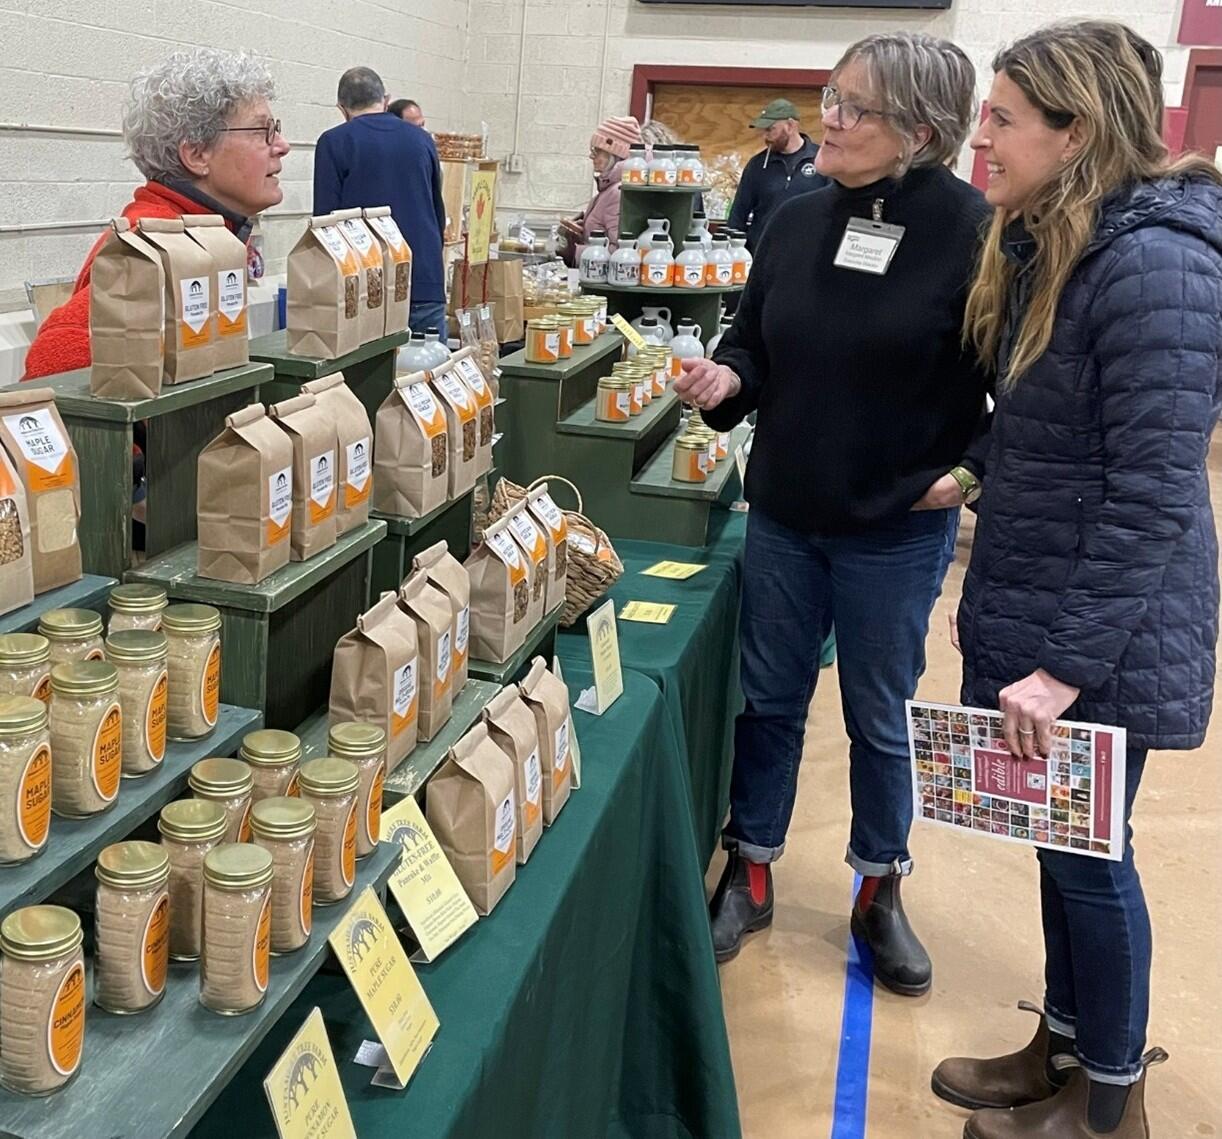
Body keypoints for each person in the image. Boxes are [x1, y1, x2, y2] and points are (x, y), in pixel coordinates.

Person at [933, 22, 1221, 1139]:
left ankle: (1109, 1100)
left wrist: (1060, 667)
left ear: (1076, 130)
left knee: (1095, 858)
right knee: (1062, 842)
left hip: (1103, 629)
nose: (982, 136)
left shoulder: (1157, 263)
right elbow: (1052, 436)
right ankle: (1057, 1048)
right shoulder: (1059, 241)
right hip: (1055, 600)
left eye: (1002, 117)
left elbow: (1154, 492)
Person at [675, 33, 990, 993]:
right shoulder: (797, 219)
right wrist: (727, 378)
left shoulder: (977, 234)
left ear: (920, 132)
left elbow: (1016, 380)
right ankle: (753, 865)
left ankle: (878, 888)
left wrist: (968, 475)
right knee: (768, 699)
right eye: (831, 97)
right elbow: (753, 346)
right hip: (786, 511)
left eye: (856, 108)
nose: (831, 121)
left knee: (877, 712)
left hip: (895, 524)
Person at [23, 47, 288, 380]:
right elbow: (52, 361)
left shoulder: (207, 236)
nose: (282, 145)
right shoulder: (150, 245)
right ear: (197, 154)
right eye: (261, 131)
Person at [314, 67, 446, 334]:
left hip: (365, 289)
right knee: (428, 371)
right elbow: (437, 213)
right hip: (423, 279)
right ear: (385, 100)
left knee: (370, 375)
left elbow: (325, 225)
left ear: (342, 108)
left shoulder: (334, 142)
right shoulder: (422, 140)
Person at [726, 98, 829, 251]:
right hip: (763, 253)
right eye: (763, 131)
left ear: (790, 125)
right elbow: (737, 216)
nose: (765, 137)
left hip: (808, 253)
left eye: (770, 130)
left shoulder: (822, 160)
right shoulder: (757, 165)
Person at [559, 116, 641, 266]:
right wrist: (582, 229)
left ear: (614, 154)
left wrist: (575, 253)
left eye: (597, 151)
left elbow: (621, 252)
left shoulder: (618, 192)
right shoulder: (609, 188)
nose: (591, 156)